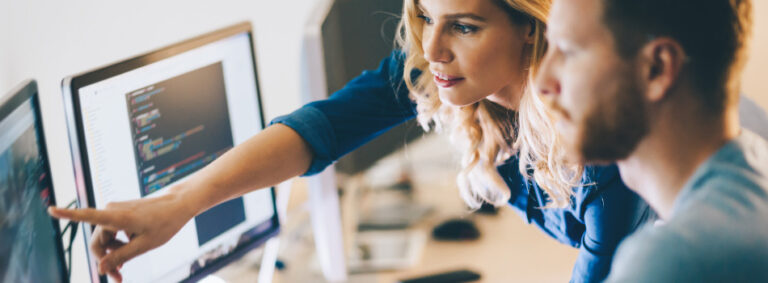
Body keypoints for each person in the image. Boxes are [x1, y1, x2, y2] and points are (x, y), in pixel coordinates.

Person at [536, 0, 768, 281]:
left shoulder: (676, 259)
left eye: (569, 51)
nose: (542, 82)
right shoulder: (755, 161)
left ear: (656, 68)